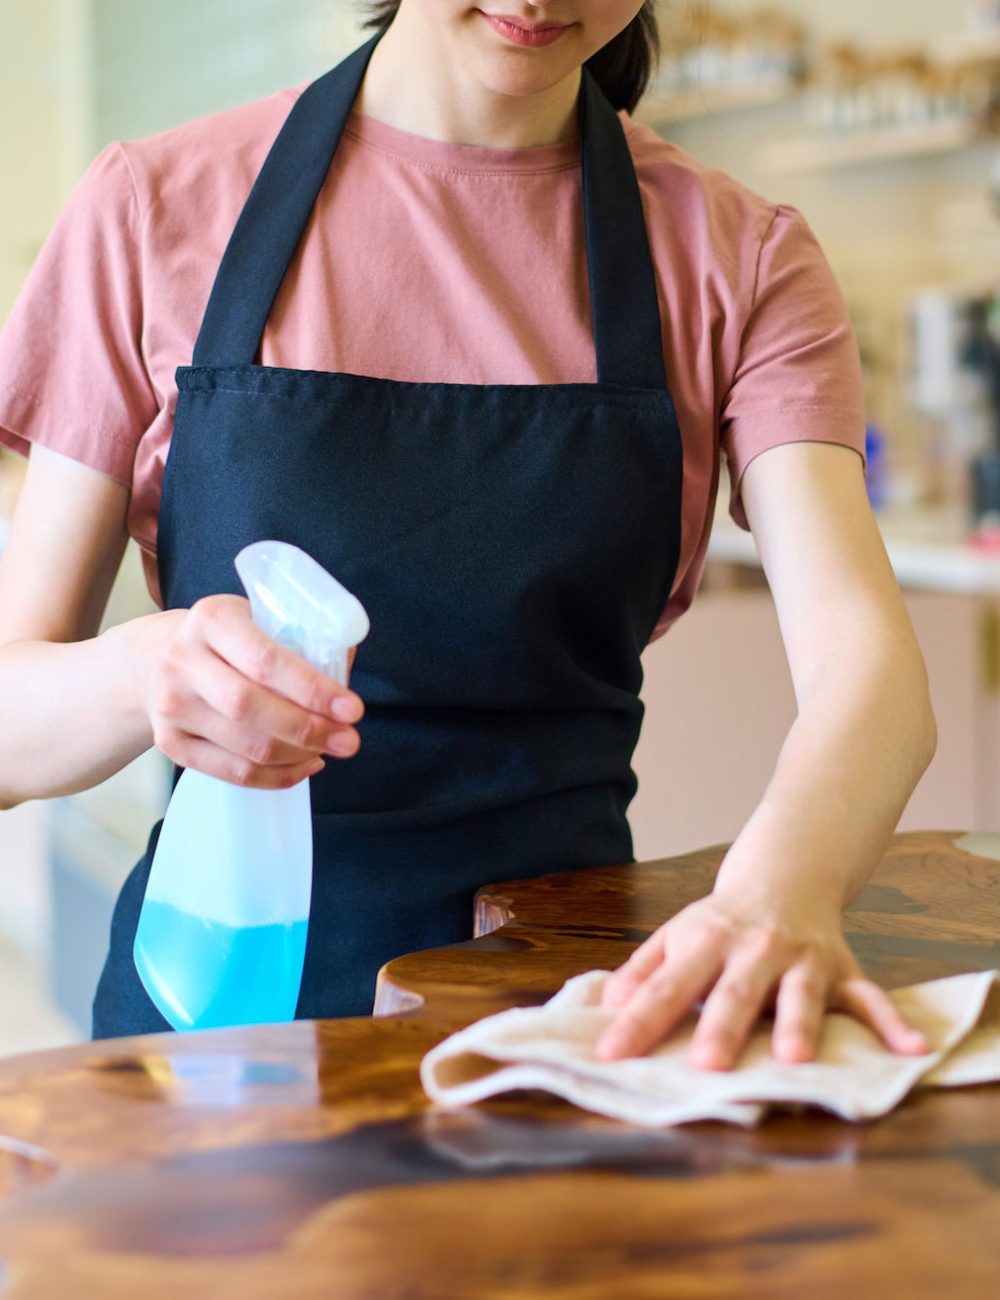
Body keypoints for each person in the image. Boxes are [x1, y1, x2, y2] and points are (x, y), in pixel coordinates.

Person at [0, 1, 935, 1066]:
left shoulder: (739, 257)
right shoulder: (153, 209)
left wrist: (777, 893)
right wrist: (140, 677)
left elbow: (871, 675)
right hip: (223, 1018)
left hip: (566, 1027)